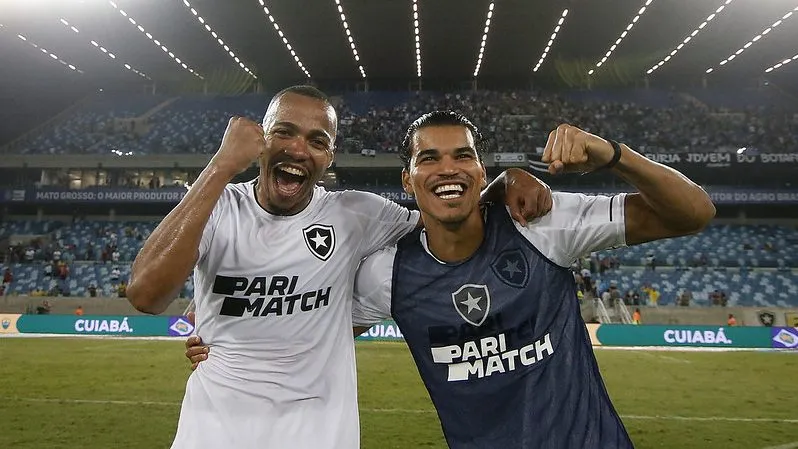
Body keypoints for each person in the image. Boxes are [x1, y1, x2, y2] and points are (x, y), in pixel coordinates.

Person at [188, 111, 715, 448]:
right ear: (407, 178)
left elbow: (693, 212)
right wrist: (223, 336)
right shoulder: (387, 273)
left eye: (463, 156)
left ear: (483, 171)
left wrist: (613, 156)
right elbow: (305, 323)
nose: (448, 169)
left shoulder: (539, 222)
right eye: (429, 159)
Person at [128, 87, 549, 449]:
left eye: (317, 140)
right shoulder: (219, 206)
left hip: (320, 432)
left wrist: (506, 182)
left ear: (329, 156)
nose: (298, 149)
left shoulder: (354, 213)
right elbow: (146, 295)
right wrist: (220, 166)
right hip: (213, 431)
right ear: (261, 138)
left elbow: (448, 216)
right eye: (284, 132)